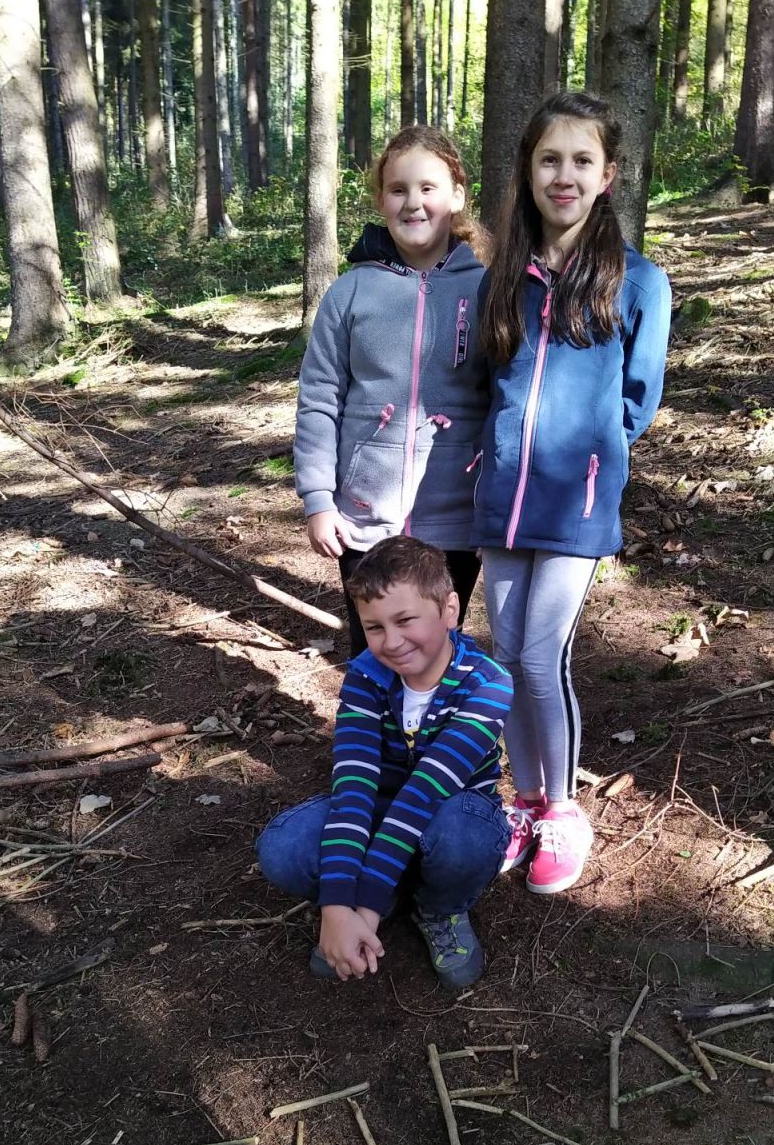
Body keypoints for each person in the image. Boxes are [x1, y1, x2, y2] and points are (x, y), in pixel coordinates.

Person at [473, 91, 672, 896]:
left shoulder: (640, 282)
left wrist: (591, 462)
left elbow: (637, 402)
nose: (564, 175)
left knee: (539, 655)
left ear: (608, 175)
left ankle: (562, 811)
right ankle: (523, 803)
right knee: (503, 655)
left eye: (581, 160)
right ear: (528, 170)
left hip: (576, 505)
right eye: (549, 159)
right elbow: (488, 381)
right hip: (501, 497)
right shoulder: (504, 276)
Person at [256, 536, 513, 990]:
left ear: (449, 610)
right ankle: (381, 895)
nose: (391, 642)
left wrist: (364, 910)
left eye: (405, 620)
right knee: (283, 848)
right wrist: (338, 906)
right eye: (373, 627)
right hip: (378, 811)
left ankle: (439, 908)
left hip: (449, 813)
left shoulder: (488, 684)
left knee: (467, 837)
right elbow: (353, 789)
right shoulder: (364, 678)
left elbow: (424, 794)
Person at [294, 125, 489, 658]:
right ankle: (370, 716)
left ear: (457, 195)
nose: (413, 203)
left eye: (428, 188)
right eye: (398, 189)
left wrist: (493, 513)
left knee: (435, 651)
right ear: (381, 200)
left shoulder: (487, 290)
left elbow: (503, 404)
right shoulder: (350, 292)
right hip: (362, 517)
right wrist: (318, 500)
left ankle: (432, 718)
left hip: (457, 517)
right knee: (375, 651)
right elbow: (319, 397)